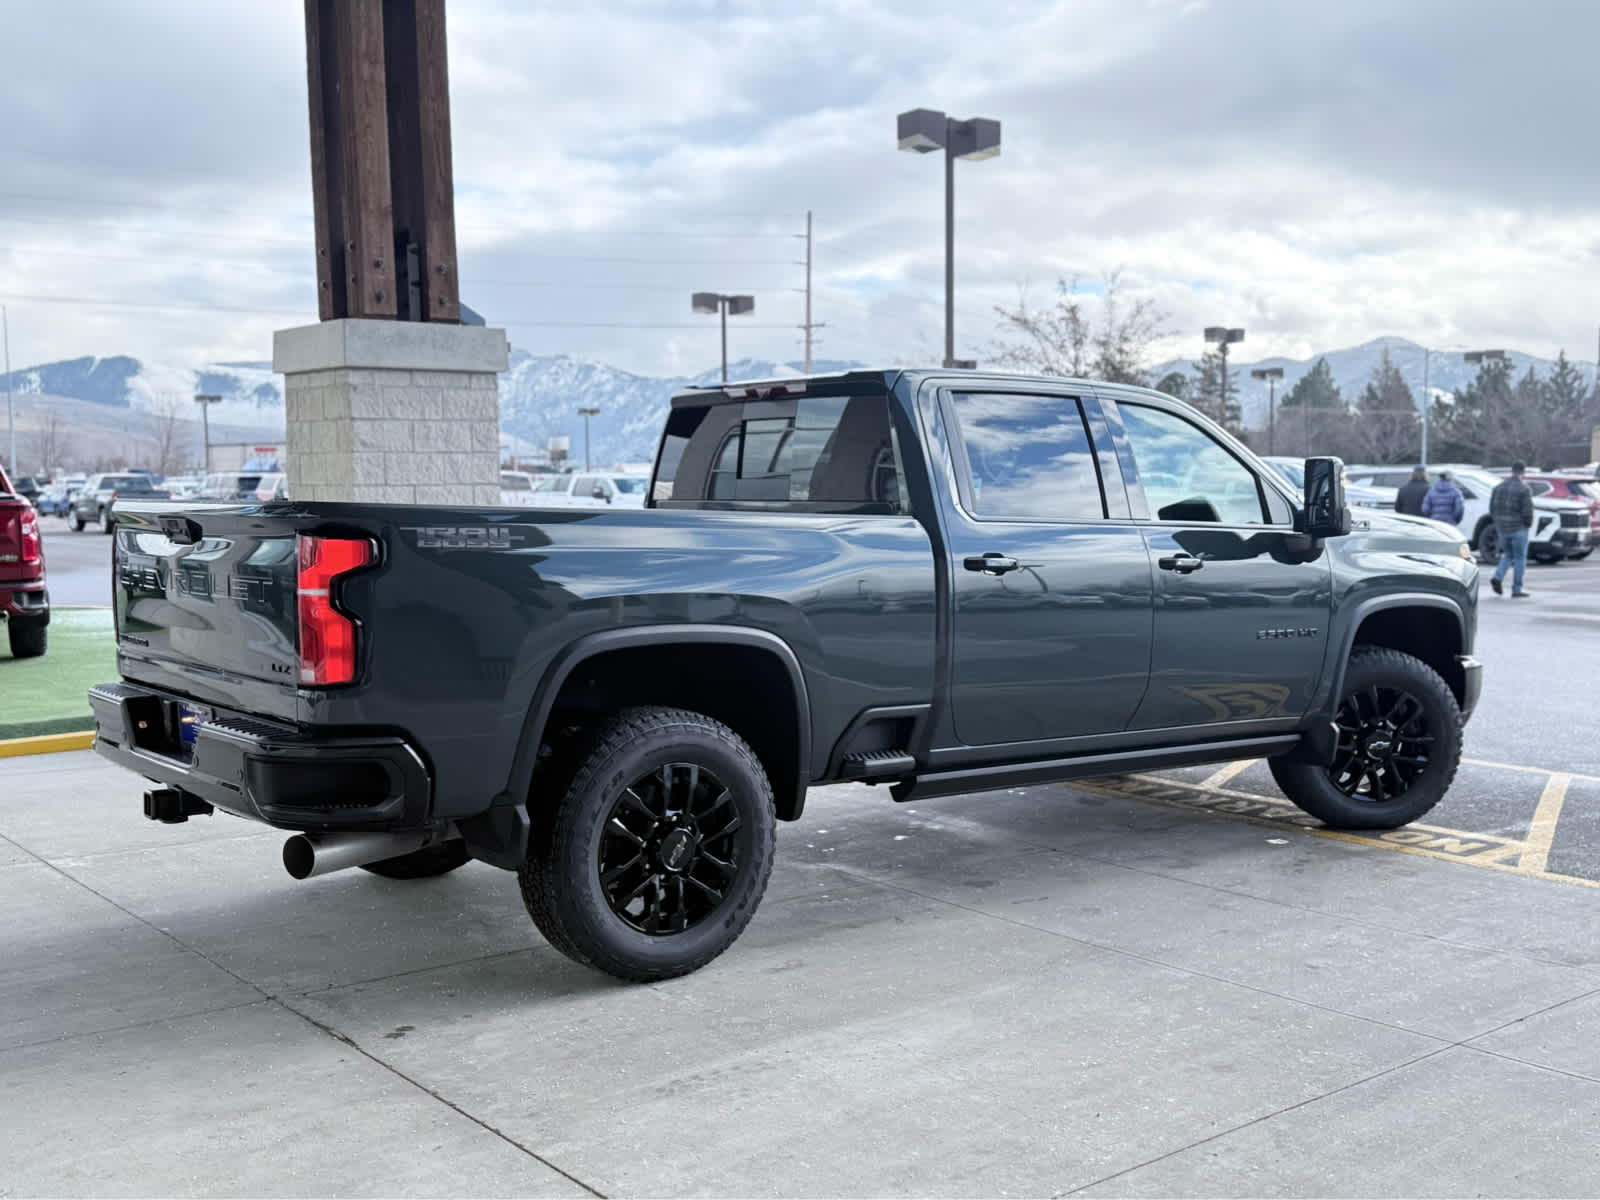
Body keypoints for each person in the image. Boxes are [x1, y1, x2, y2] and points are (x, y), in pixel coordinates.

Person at [1488, 461, 1535, 597]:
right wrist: (1528, 524)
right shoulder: (1524, 489)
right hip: (1519, 528)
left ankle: (1498, 577)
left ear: (1512, 470)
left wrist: (1498, 522)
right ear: (1523, 472)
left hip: (1502, 528)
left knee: (1508, 555)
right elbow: (1527, 511)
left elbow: (1492, 508)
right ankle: (1516, 589)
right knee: (1520, 558)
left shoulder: (1498, 487)